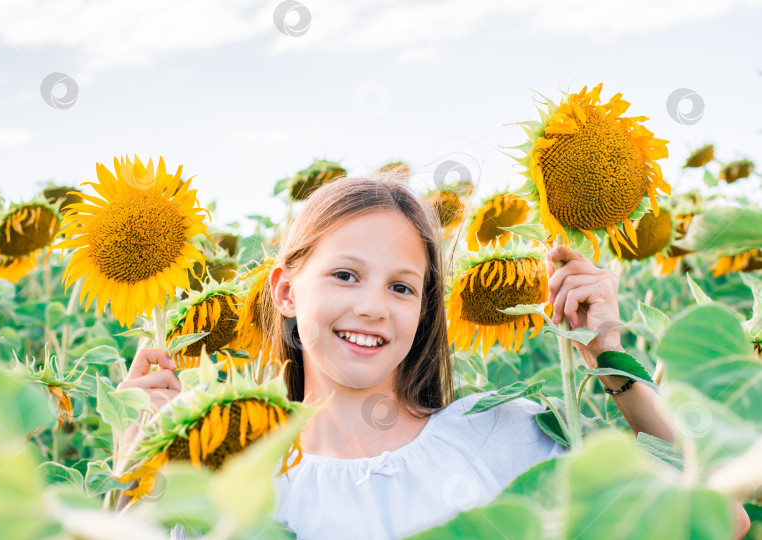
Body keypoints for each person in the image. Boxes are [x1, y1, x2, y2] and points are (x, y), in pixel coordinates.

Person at [118, 176, 750, 539]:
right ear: (285, 290)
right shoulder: (225, 480)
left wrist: (612, 364)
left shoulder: (505, 435)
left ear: (422, 311)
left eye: (401, 287)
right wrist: (141, 465)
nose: (372, 306)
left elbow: (719, 519)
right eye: (344, 274)